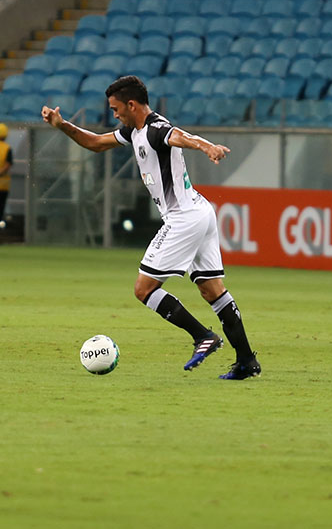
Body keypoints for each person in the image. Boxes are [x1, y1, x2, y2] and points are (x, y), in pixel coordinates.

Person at [41, 75, 261, 380]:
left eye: (116, 108)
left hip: (184, 218)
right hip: (199, 211)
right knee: (212, 290)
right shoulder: (134, 131)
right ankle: (247, 361)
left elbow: (180, 136)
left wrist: (206, 146)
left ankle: (203, 336)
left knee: (143, 289)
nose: (114, 114)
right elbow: (95, 143)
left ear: (131, 105)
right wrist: (62, 125)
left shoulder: (156, 128)